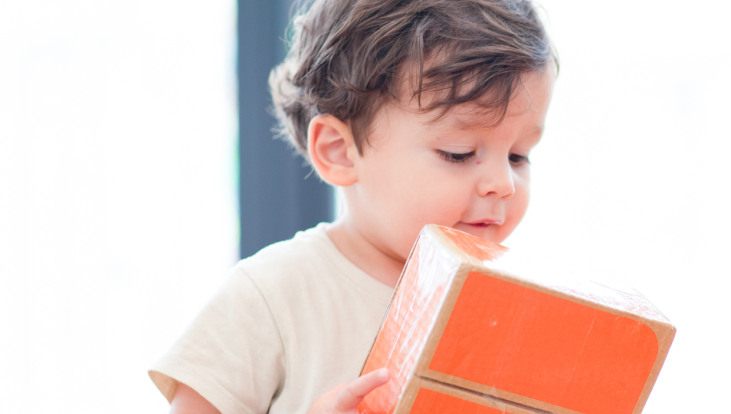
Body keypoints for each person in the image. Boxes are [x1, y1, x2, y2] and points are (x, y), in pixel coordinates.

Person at [148, 0, 556, 412]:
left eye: (519, 155)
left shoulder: (512, 308)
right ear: (340, 151)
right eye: (459, 152)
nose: (504, 184)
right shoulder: (269, 298)